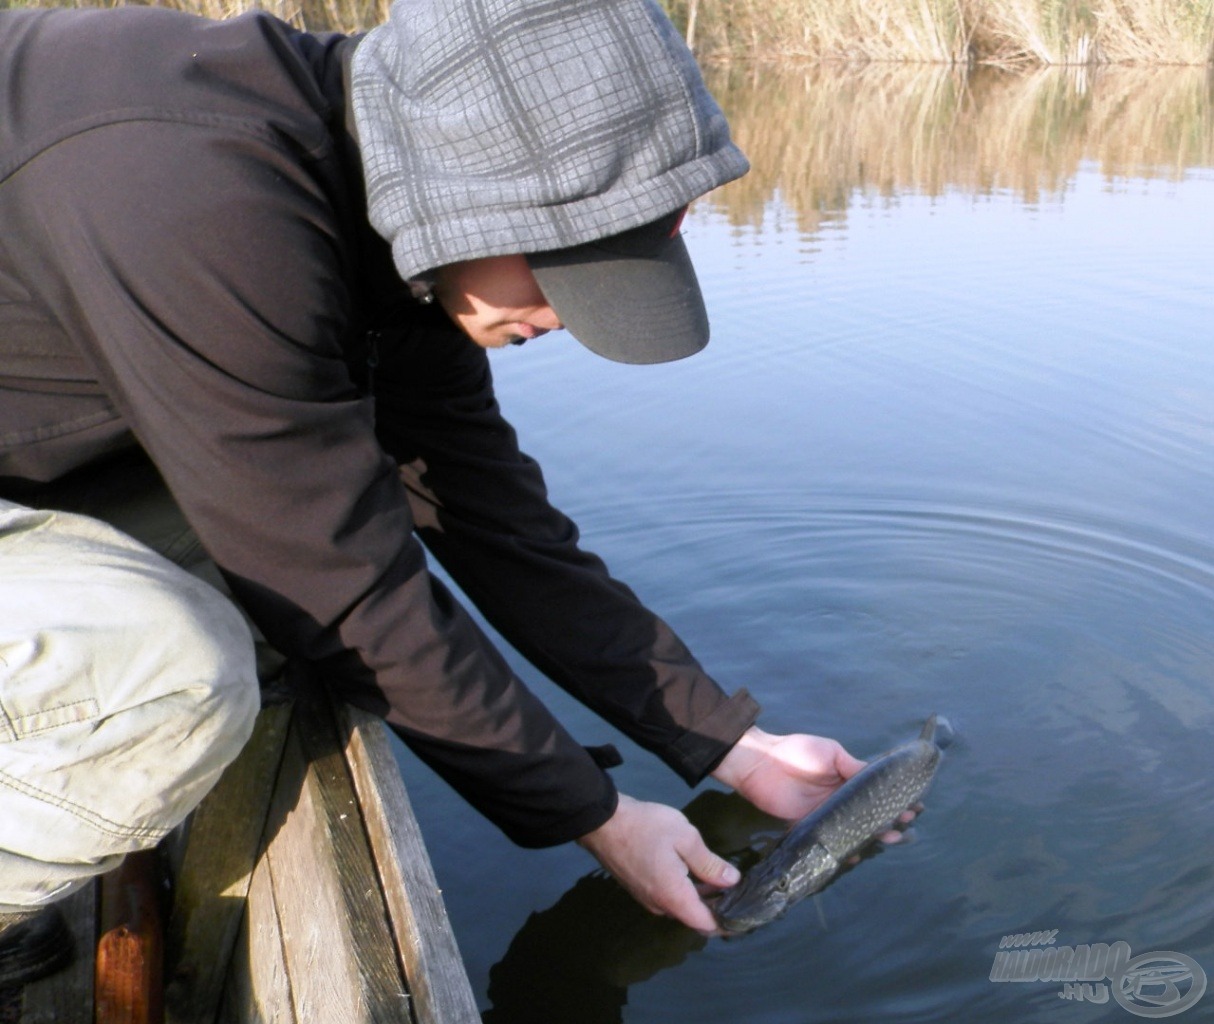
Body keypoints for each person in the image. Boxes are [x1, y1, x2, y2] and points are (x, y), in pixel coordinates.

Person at [0, 0, 895, 985]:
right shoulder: (197, 199)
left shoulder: (380, 209)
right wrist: (593, 816)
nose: (564, 318)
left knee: (266, 579)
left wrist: (725, 740)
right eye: (562, 272)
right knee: (182, 665)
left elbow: (486, 515)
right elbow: (345, 585)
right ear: (466, 192)